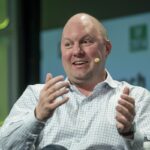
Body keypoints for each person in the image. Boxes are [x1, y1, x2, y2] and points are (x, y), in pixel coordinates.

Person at [0, 12, 150, 150]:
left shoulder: (136, 98)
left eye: (86, 41)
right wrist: (37, 116)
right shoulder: (37, 95)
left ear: (107, 48)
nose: (77, 51)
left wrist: (131, 133)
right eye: (68, 44)